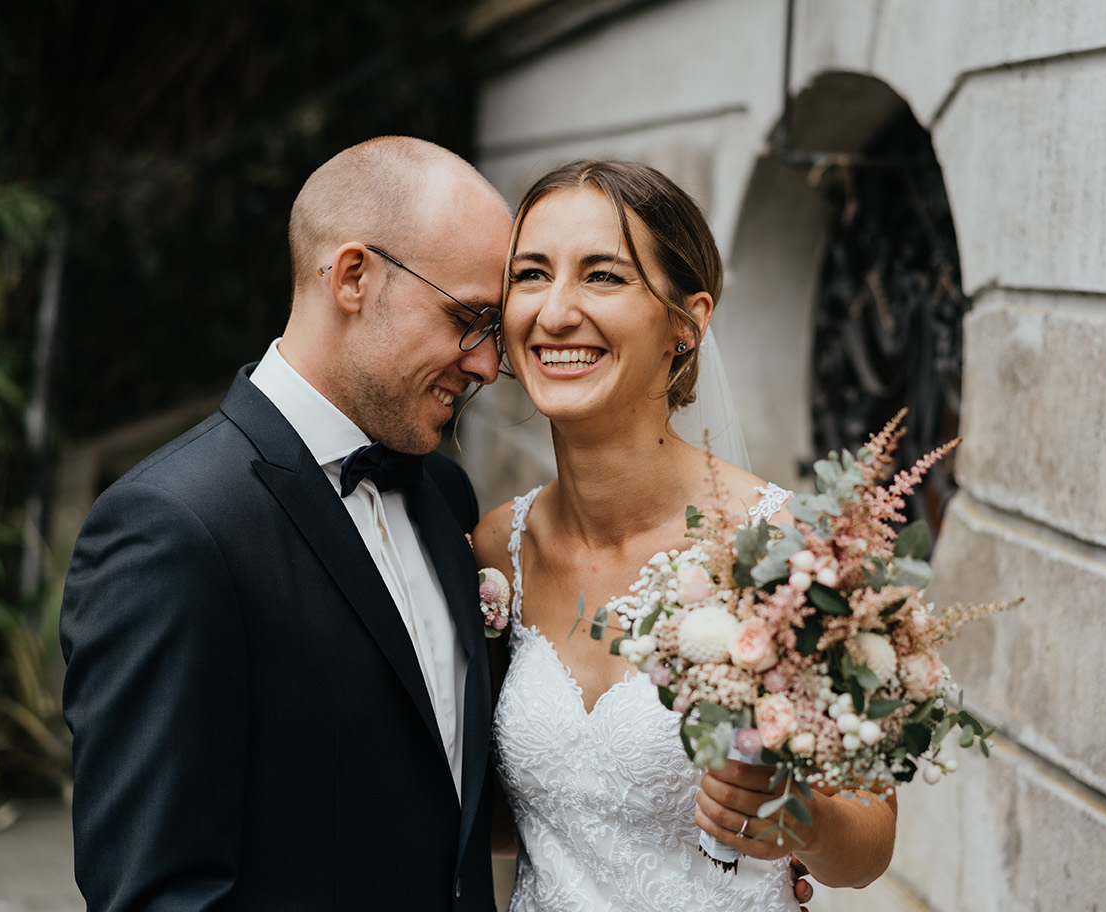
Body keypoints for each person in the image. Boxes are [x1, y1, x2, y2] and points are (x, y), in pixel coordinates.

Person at [60, 136, 513, 910]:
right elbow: (156, 892)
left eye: (495, 329)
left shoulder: (445, 493)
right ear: (353, 277)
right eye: (467, 318)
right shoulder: (171, 527)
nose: (486, 365)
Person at [471, 160, 897, 911]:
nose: (556, 311)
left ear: (687, 322)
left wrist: (796, 818)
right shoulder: (498, 548)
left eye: (603, 276)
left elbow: (868, 846)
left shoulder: (788, 549)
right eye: (531, 274)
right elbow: (505, 817)